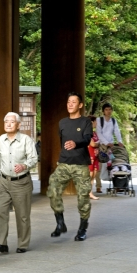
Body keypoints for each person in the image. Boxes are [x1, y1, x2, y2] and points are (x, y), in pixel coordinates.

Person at [47, 92, 93, 241]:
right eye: (68, 102)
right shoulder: (62, 123)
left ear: (80, 105)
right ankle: (60, 223)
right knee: (53, 190)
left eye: (74, 102)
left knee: (83, 197)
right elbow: (62, 142)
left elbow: (87, 139)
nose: (70, 104)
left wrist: (76, 143)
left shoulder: (85, 122)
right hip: (64, 163)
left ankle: (82, 228)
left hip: (80, 164)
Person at [0, 113, 38, 254]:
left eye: (12, 122)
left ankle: (22, 244)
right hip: (4, 181)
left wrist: (24, 166)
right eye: (6, 121)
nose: (8, 124)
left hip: (21, 182)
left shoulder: (25, 140)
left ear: (18, 125)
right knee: (0, 212)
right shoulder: (1, 139)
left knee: (22, 215)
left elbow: (34, 159)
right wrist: (3, 173)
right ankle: (1, 243)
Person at [88, 115, 100, 200]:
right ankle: (87, 192)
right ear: (92, 122)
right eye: (95, 121)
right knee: (90, 174)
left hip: (96, 156)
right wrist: (98, 144)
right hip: (90, 155)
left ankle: (90, 192)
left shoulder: (94, 133)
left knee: (94, 174)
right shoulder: (87, 132)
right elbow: (92, 144)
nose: (96, 123)